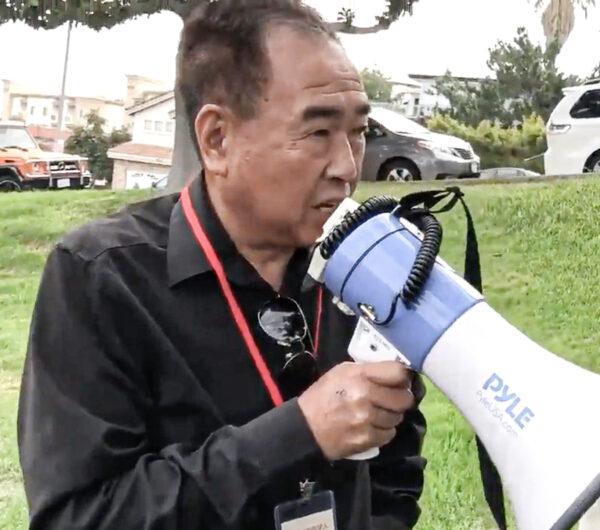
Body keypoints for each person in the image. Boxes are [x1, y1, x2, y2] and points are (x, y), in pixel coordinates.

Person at [18, 1, 427, 528]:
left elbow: (398, 468)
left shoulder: (367, 268)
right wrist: (295, 434)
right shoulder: (102, 278)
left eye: (357, 131)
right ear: (217, 139)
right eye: (318, 133)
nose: (348, 167)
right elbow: (78, 516)